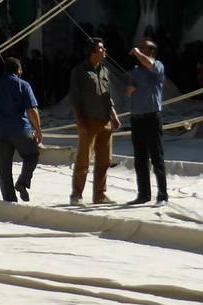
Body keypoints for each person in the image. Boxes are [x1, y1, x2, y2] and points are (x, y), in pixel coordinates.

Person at [0, 55, 43, 203]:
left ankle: (10, 202)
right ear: (19, 70)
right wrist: (38, 129)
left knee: (3, 169)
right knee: (32, 155)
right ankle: (22, 182)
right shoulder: (23, 85)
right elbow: (32, 110)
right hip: (20, 130)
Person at [69, 38, 120, 205]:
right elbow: (75, 100)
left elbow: (108, 97)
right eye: (100, 48)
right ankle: (76, 195)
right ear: (92, 51)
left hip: (105, 122)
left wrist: (114, 116)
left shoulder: (105, 71)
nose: (104, 50)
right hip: (88, 122)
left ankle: (100, 195)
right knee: (84, 160)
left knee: (105, 161)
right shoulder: (79, 72)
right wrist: (80, 122)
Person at [125, 39, 168, 206]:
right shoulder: (135, 71)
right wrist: (130, 90)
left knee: (157, 157)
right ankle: (143, 194)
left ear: (151, 52)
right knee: (140, 159)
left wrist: (137, 52)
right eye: (140, 48)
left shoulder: (157, 66)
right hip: (137, 118)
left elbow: (149, 64)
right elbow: (129, 91)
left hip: (152, 117)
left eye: (144, 49)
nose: (140, 51)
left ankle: (162, 195)